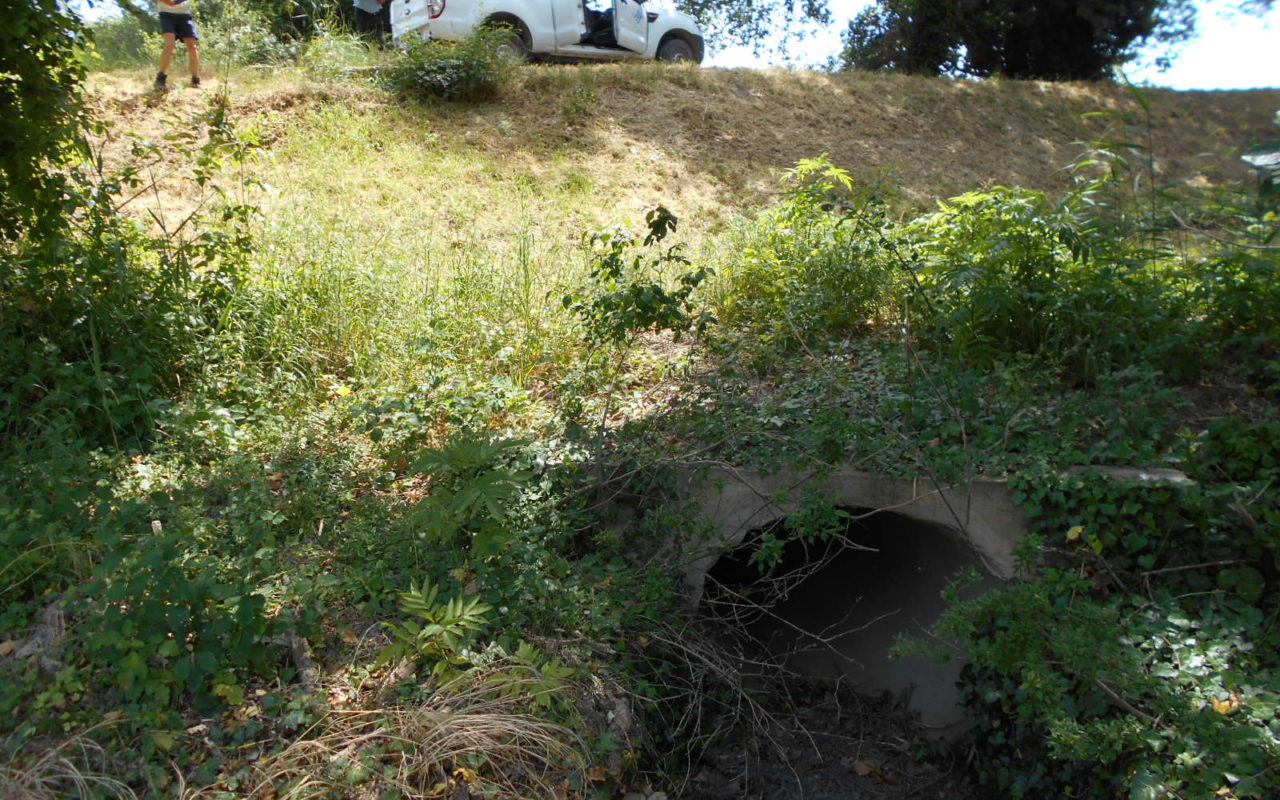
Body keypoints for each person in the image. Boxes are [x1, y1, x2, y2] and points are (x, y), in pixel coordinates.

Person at [154, 0, 200, 90]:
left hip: (184, 16)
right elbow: (170, 2)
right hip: (166, 15)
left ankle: (195, 80)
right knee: (170, 45)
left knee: (192, 47)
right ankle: (160, 78)